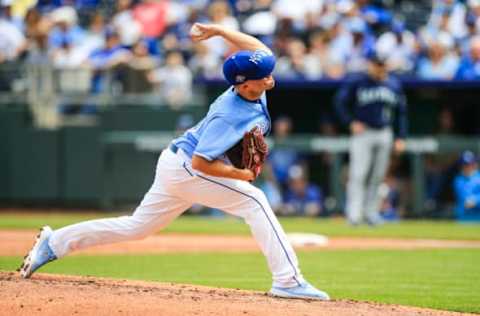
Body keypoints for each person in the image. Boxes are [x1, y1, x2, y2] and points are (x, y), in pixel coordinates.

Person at [19, 23, 330, 301]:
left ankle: (54, 242)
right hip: (188, 169)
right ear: (245, 84)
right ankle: (288, 281)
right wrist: (240, 173)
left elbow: (257, 49)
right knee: (256, 201)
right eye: (264, 74)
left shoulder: (251, 85)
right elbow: (200, 163)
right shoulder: (230, 113)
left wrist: (220, 32)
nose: (270, 76)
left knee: (136, 227)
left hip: (174, 163)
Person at [334, 50, 408, 226]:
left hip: (385, 132)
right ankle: (354, 215)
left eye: (382, 64)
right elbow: (340, 102)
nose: (379, 68)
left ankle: (371, 213)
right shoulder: (358, 82)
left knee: (378, 176)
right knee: (358, 174)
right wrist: (350, 121)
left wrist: (400, 137)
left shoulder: (393, 84)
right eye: (376, 64)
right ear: (370, 64)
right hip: (363, 132)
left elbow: (401, 114)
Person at [453, 151, 480, 221]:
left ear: (475, 164)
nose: (467, 167)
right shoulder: (458, 180)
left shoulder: (478, 178)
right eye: (464, 164)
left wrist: (476, 201)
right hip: (462, 217)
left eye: (469, 164)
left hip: (477, 216)